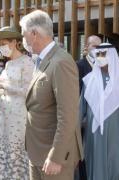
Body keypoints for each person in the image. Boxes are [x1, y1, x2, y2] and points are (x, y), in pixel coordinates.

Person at [20, 10, 83, 180]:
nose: (23, 40)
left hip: (53, 157)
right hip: (38, 151)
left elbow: (68, 115)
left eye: (24, 35)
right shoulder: (42, 59)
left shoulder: (61, 62)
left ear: (34, 34)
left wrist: (56, 156)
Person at [0, 26, 34, 179]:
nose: (2, 47)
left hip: (19, 117)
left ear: (14, 42)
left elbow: (29, 90)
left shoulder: (27, 62)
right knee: (2, 149)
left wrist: (2, 85)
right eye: (0, 44)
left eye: (4, 43)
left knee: (16, 152)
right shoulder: (7, 64)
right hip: (3, 116)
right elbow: (4, 92)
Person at [80, 43, 119, 180]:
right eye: (97, 54)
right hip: (94, 138)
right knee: (95, 171)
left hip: (117, 137)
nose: (100, 57)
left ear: (112, 56)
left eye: (103, 54)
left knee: (116, 170)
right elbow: (80, 112)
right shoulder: (89, 81)